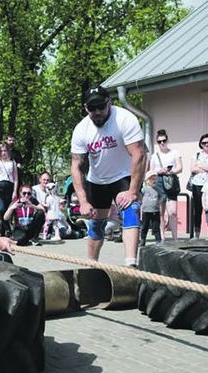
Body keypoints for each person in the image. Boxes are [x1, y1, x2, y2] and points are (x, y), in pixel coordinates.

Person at [70, 85, 146, 267]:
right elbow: (76, 166)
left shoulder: (125, 119)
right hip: (97, 180)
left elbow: (139, 154)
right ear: (85, 108)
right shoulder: (81, 130)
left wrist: (133, 191)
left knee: (130, 209)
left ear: (109, 103)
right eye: (92, 108)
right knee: (96, 224)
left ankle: (130, 264)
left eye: (101, 107)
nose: (97, 112)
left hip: (123, 175)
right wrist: (83, 202)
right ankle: (92, 266)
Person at [149, 129, 182, 241]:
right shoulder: (155, 155)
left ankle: (175, 239)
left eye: (164, 140)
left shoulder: (174, 153)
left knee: (172, 212)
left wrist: (170, 171)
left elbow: (179, 168)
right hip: (158, 182)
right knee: (160, 213)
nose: (162, 143)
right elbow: (151, 171)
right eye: (159, 141)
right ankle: (162, 237)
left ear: (167, 140)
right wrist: (159, 171)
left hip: (171, 182)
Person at [0, 142, 18, 236]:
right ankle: (6, 227)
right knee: (0, 209)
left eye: (5, 150)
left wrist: (15, 191)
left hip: (9, 186)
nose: (3, 153)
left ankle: (4, 231)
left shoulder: (12, 162)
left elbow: (15, 178)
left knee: (8, 209)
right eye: (1, 151)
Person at [140, 170, 162, 247]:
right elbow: (140, 196)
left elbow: (162, 197)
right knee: (144, 227)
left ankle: (158, 241)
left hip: (155, 211)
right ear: (147, 180)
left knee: (156, 227)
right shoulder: (144, 189)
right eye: (152, 179)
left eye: (155, 179)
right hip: (146, 211)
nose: (154, 181)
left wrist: (160, 203)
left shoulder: (158, 190)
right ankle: (143, 240)